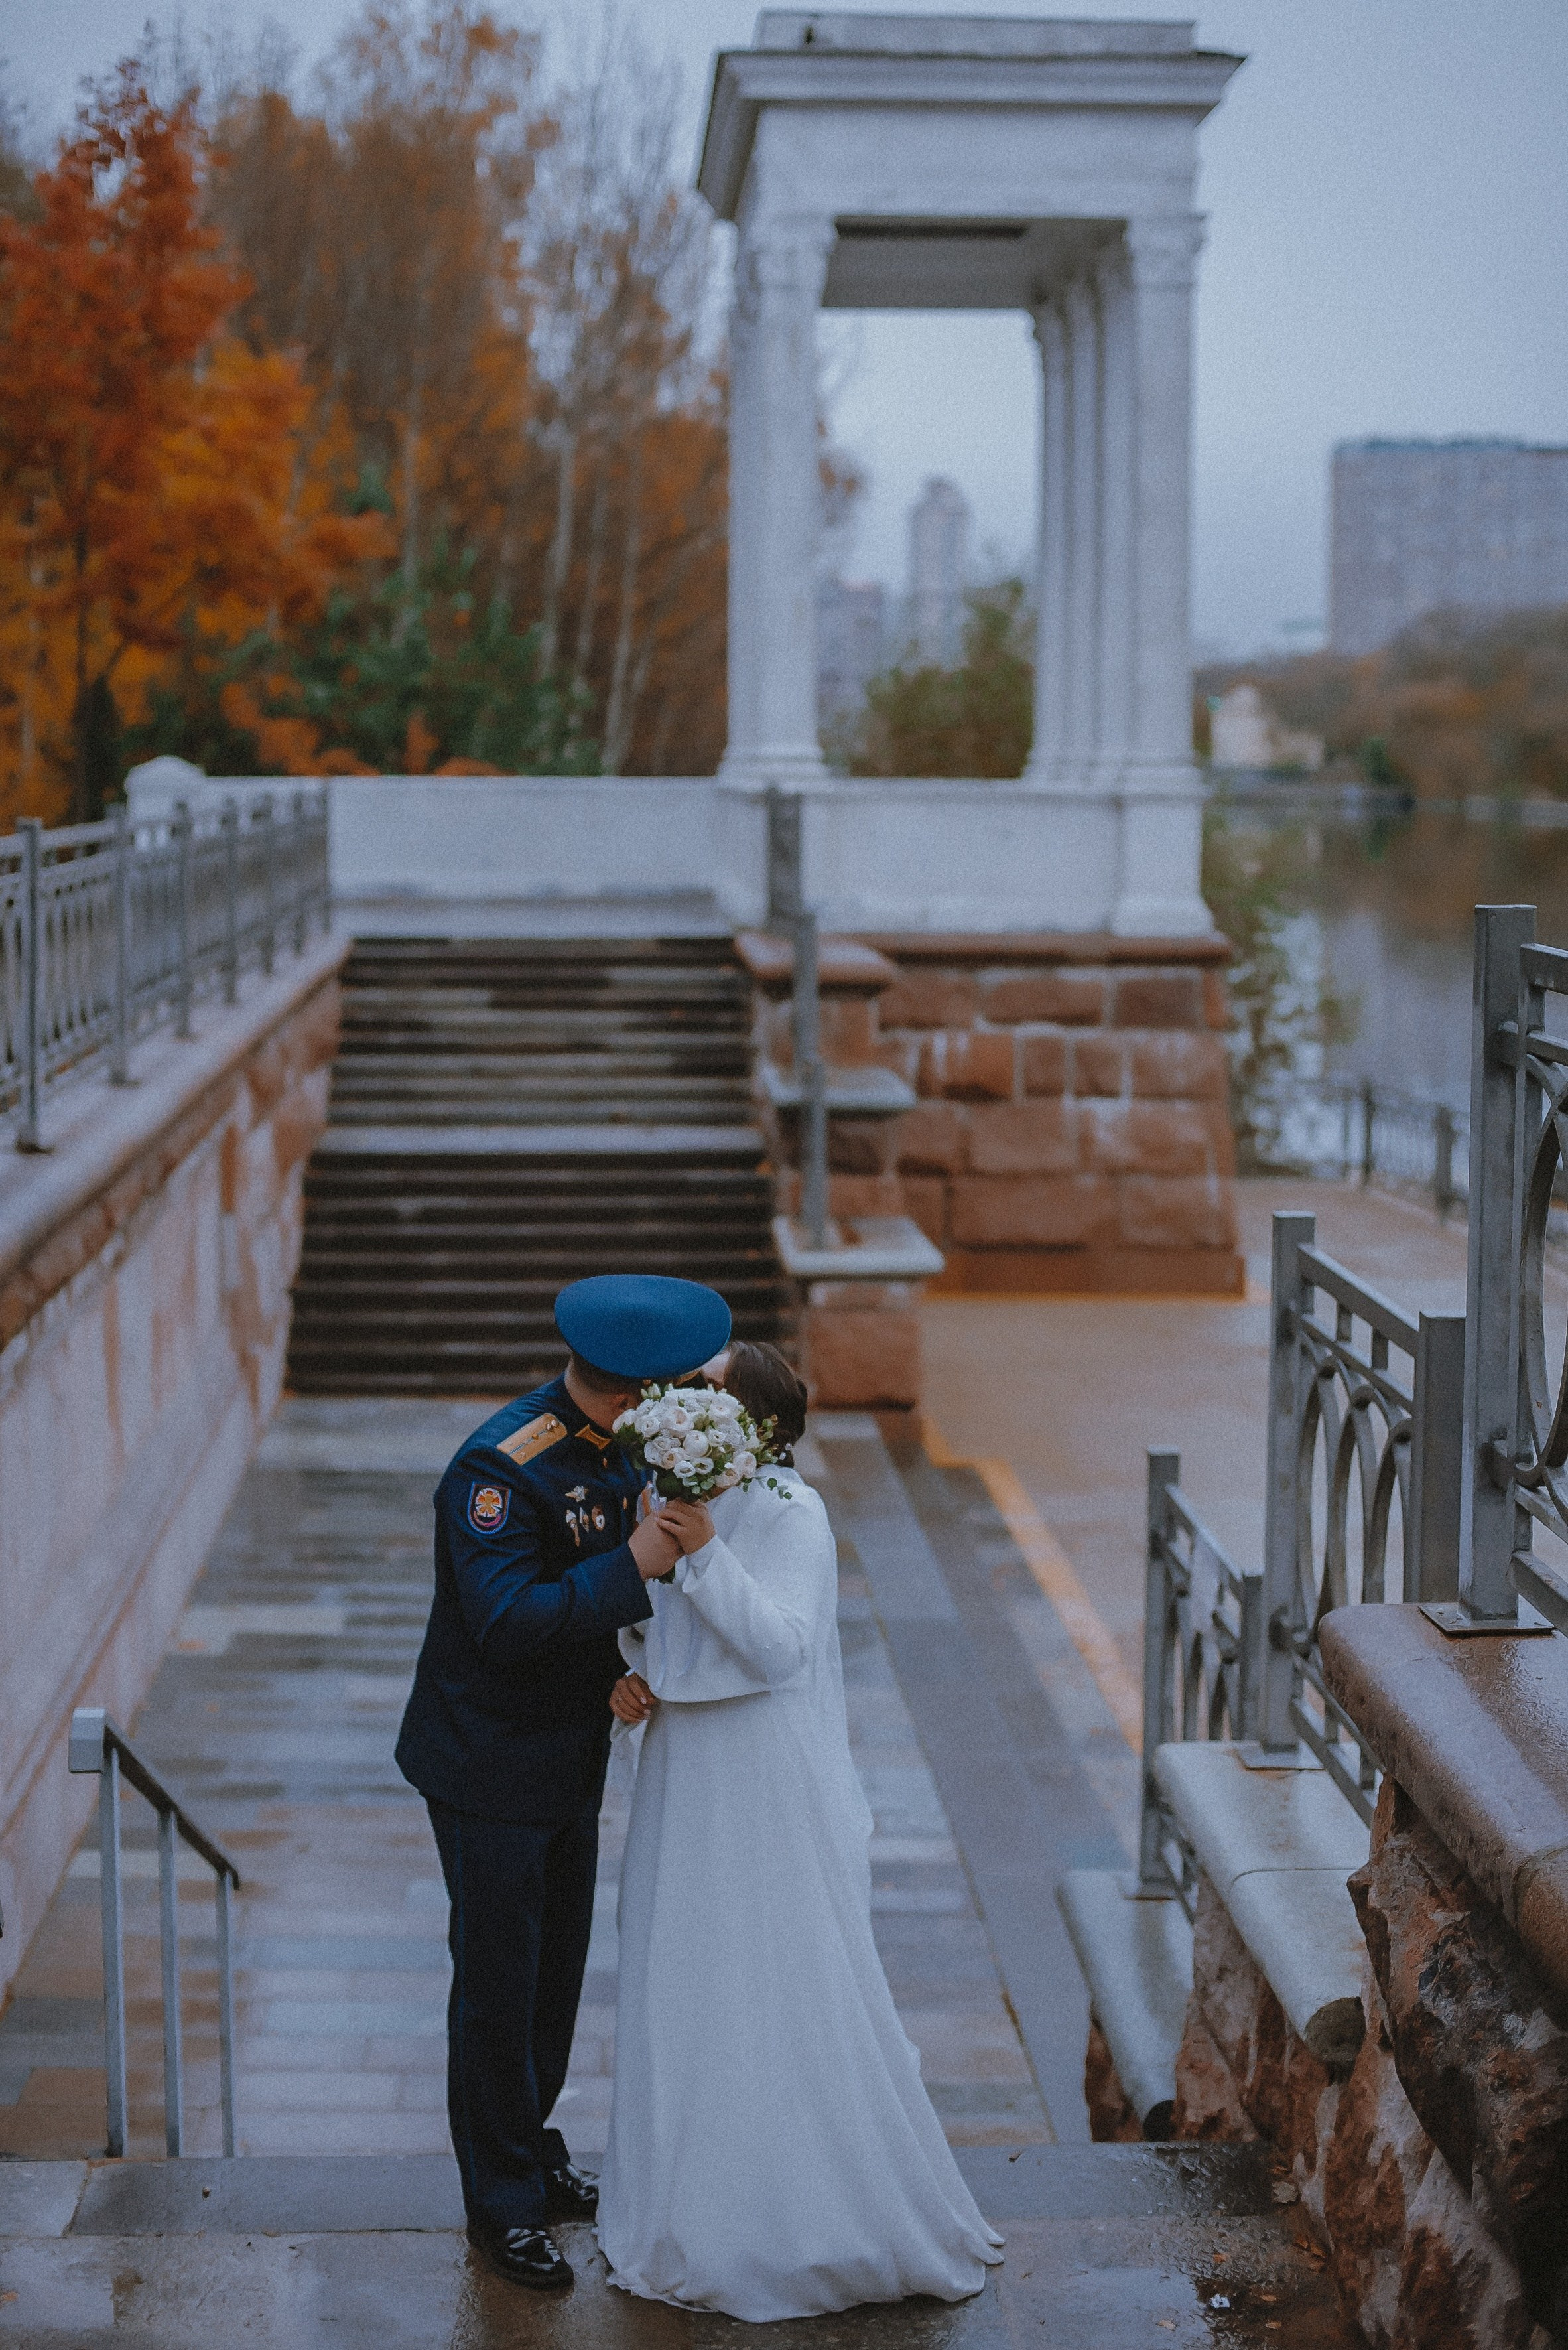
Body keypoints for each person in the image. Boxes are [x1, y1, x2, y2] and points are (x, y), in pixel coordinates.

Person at [598, 1339, 1004, 2322]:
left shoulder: (792, 1512)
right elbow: (648, 1619)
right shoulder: (666, 1502)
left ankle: (807, 2211)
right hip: (686, 1762)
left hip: (757, 1765)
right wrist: (631, 1663)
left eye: (709, 1390)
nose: (689, 1400)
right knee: (683, 1964)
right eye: (689, 1391)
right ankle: (687, 2201)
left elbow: (782, 1644)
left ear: (759, 1425)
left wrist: (703, 1552)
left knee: (772, 1966)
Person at [395, 1273, 732, 2293]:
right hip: (488, 1765)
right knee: (498, 1989)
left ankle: (531, 2149)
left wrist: (619, 1662)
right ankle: (501, 2203)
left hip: (564, 1752)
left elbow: (575, 1616)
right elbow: (503, 1622)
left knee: (552, 1976)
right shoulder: (500, 1468)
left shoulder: (619, 1443)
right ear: (632, 1395)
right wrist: (633, 1562)